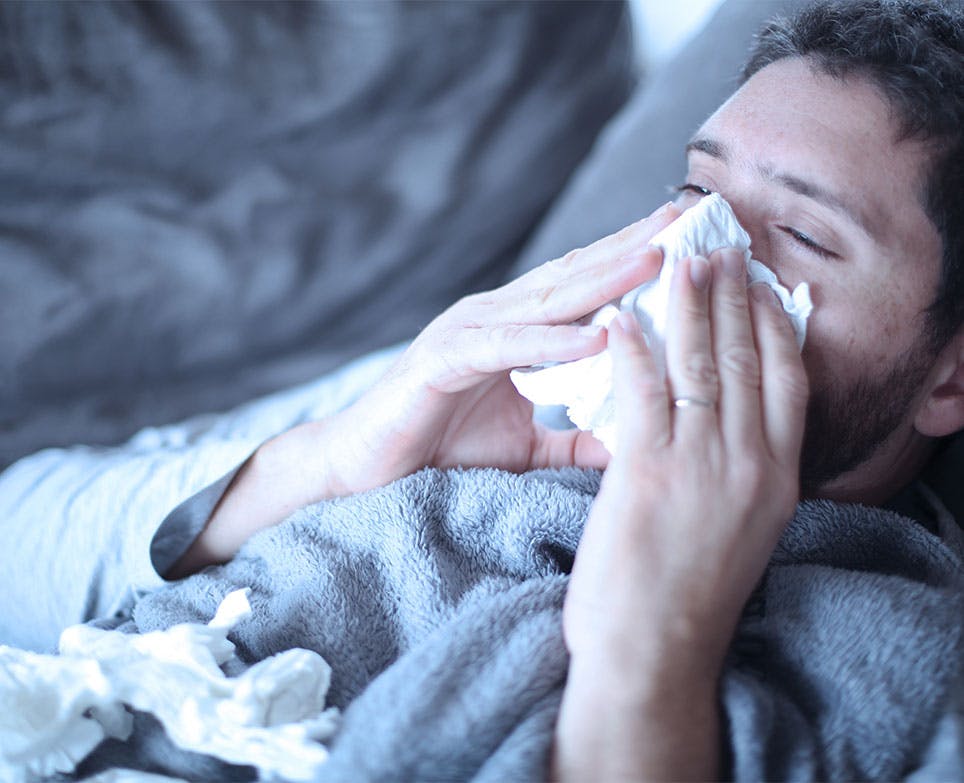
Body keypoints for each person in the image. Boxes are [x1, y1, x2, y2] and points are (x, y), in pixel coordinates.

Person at [8, 0, 961, 778]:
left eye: (801, 236)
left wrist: (647, 659)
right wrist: (331, 460)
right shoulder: (489, 390)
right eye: (695, 198)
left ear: (950, 373)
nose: (692, 266)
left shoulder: (913, 679)